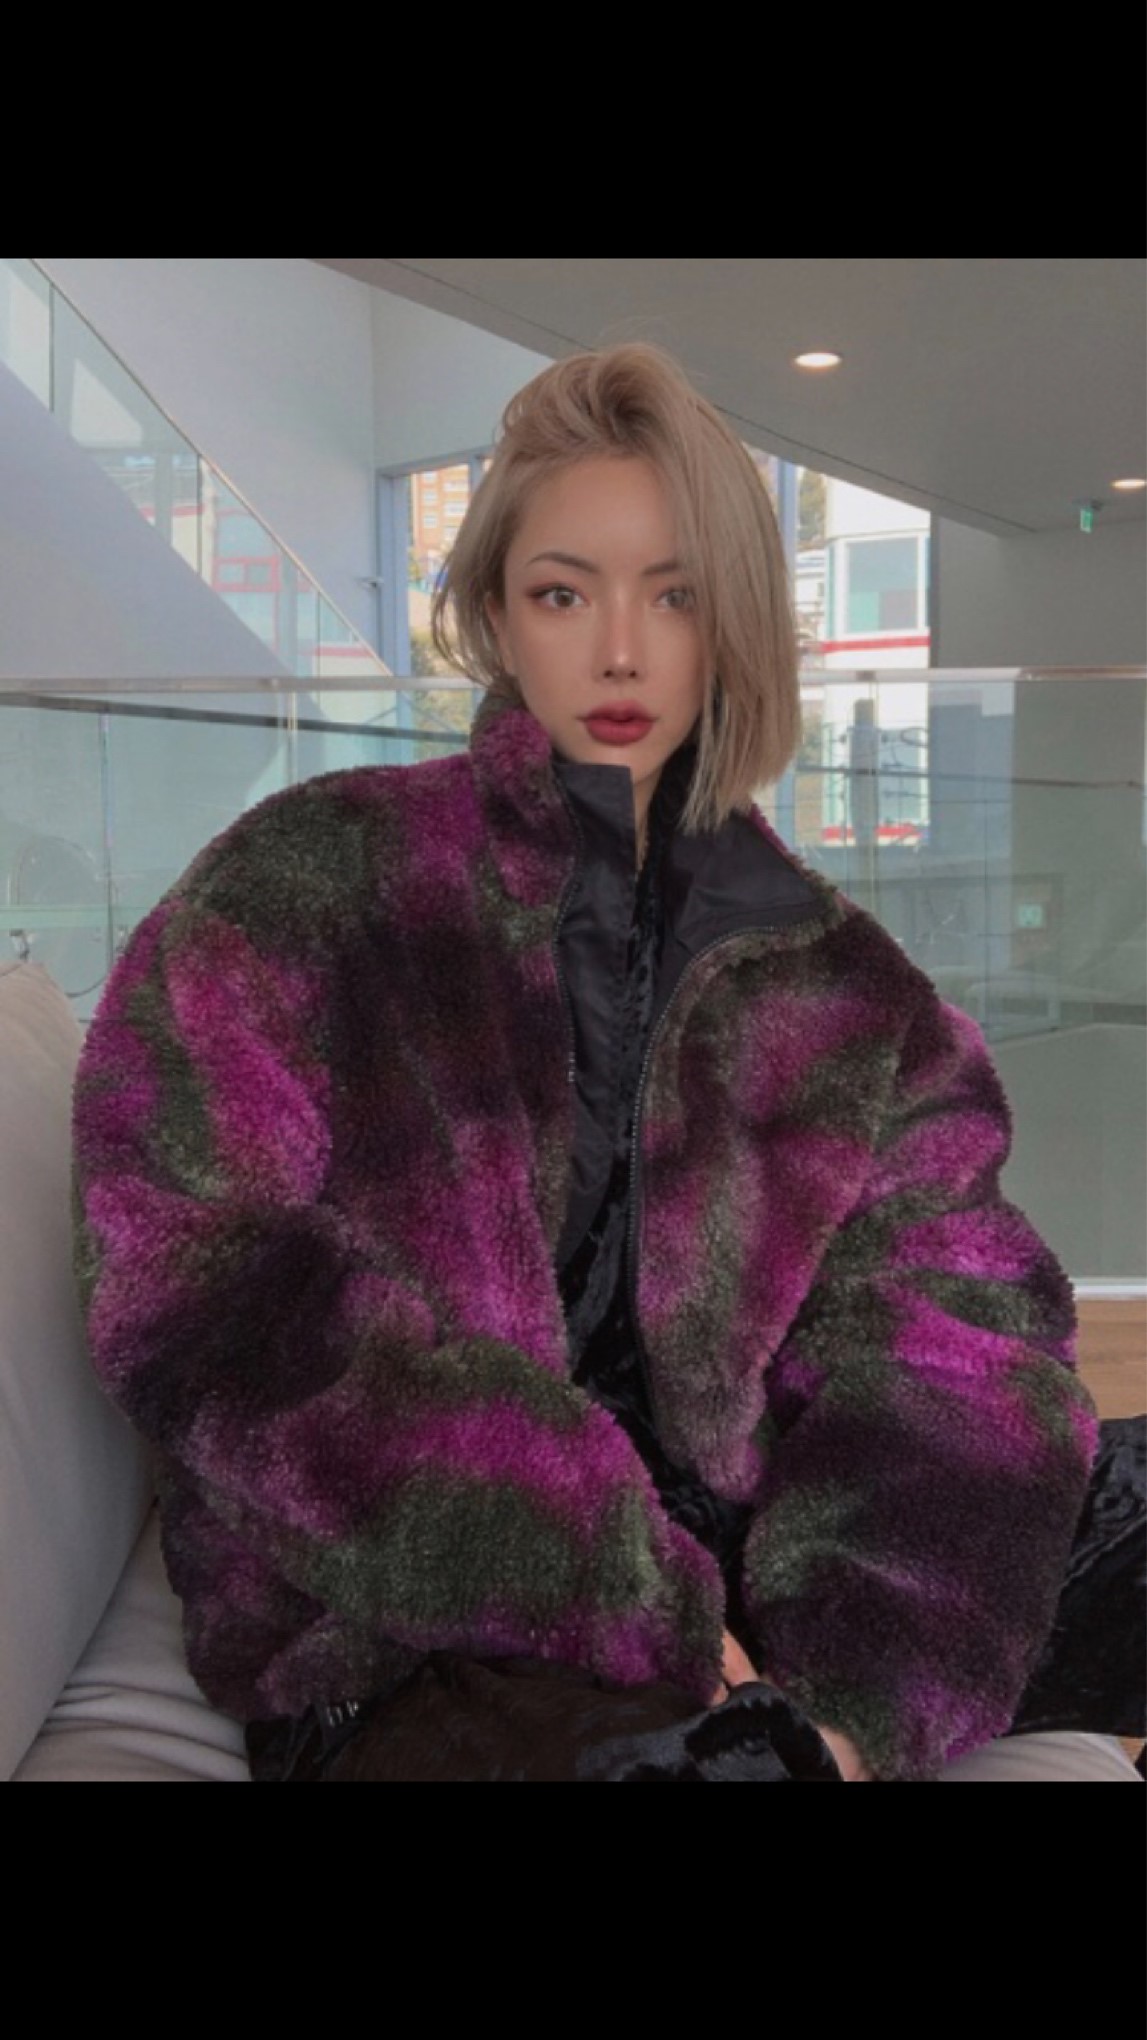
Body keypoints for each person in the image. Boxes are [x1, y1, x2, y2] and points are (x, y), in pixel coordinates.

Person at [71, 343, 1140, 1783]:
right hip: (424, 1633)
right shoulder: (308, 888)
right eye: (565, 593)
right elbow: (197, 1280)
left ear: (734, 623)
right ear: (498, 617)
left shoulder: (852, 994)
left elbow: (955, 1343)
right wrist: (625, 1586)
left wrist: (844, 1706)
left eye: (675, 595)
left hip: (767, 1586)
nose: (622, 651)